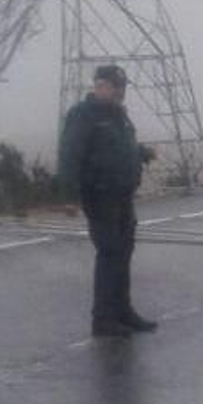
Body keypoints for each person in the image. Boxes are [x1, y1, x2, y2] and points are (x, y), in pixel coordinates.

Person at [58, 64, 159, 337]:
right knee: (110, 252)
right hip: (99, 194)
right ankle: (102, 319)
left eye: (122, 88)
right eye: (115, 87)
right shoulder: (84, 115)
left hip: (123, 193)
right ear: (100, 86)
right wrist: (68, 196)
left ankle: (123, 312)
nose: (119, 93)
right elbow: (70, 155)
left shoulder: (118, 116)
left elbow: (119, 148)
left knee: (124, 251)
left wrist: (140, 153)